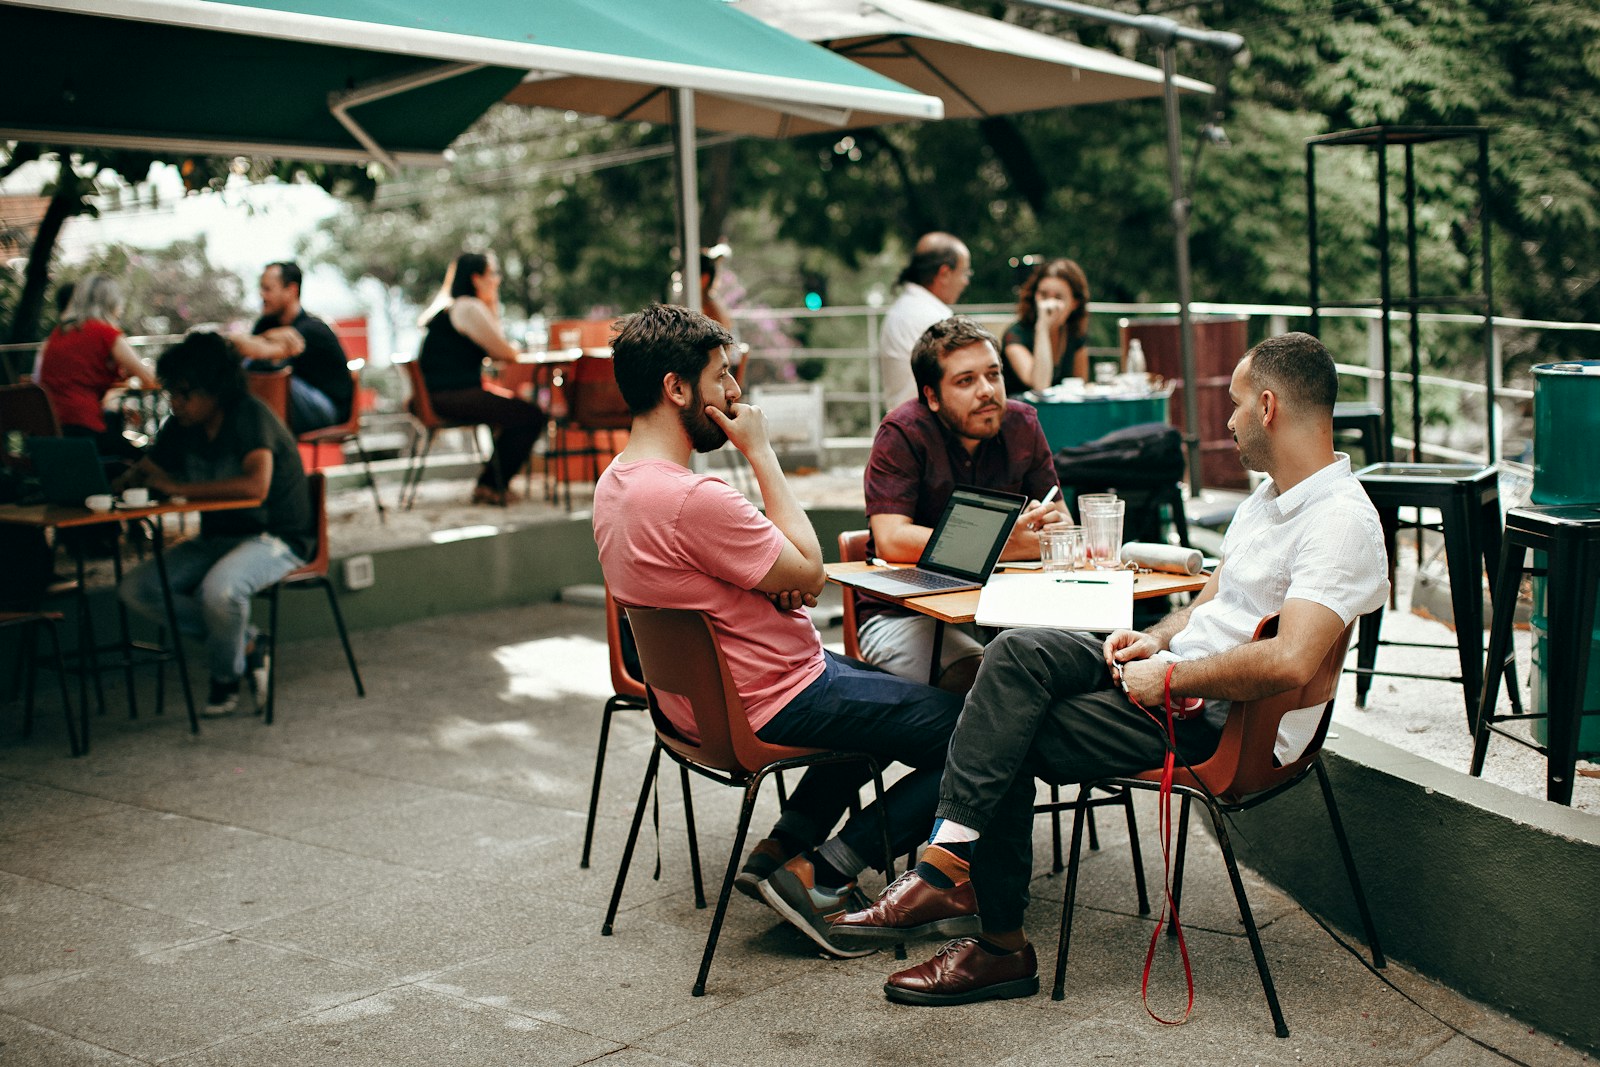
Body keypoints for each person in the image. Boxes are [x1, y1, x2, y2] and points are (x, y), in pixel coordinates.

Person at [831, 333, 1390, 1006]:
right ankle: (947, 861)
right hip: (1176, 678)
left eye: (1236, 405)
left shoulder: (1339, 521)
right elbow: (1212, 602)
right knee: (1015, 650)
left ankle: (998, 944)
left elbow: (1290, 657)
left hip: (1221, 719)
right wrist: (1153, 639)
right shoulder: (1266, 499)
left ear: (1269, 406)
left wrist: (1173, 678)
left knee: (1008, 726)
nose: (1229, 421)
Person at [593, 303, 962, 959]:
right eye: (722, 378)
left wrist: (780, 575)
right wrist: (762, 452)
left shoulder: (615, 485)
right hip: (775, 697)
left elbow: (786, 574)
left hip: (697, 707)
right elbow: (810, 570)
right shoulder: (692, 499)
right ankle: (822, 875)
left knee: (884, 692)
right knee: (973, 731)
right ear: (676, 388)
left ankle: (779, 848)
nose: (736, 394)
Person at [859, 316, 1070, 692]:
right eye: (966, 381)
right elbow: (892, 539)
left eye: (994, 374)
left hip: (1006, 609)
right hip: (907, 615)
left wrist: (1042, 534)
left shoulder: (1023, 424)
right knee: (992, 690)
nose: (987, 391)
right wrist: (1004, 545)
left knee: (1085, 668)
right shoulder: (902, 433)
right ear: (932, 397)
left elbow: (1060, 528)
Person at [117, 332, 313, 718]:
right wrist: (122, 482)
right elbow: (148, 470)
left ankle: (225, 677)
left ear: (216, 389)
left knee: (220, 592)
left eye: (186, 393)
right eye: (172, 392)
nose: (176, 403)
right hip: (217, 538)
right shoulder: (181, 426)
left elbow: (256, 485)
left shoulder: (250, 416)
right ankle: (249, 644)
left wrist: (178, 488)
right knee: (137, 589)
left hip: (275, 535)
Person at [416, 252, 546, 506]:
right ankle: (490, 486)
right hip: (452, 396)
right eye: (493, 274)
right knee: (530, 416)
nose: (497, 280)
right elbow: (504, 352)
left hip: (436, 394)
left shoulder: (449, 307)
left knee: (513, 410)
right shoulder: (469, 307)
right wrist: (493, 305)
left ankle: (492, 482)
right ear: (477, 279)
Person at [33, 274, 157, 457]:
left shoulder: (58, 334)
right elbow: (148, 378)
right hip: (84, 431)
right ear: (113, 303)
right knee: (148, 463)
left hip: (51, 432)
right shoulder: (105, 333)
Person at [241, 262, 353, 433]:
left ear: (291, 290)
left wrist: (256, 346)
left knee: (268, 375)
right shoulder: (265, 324)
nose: (262, 295)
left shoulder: (313, 329)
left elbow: (260, 354)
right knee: (246, 373)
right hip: (292, 405)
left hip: (328, 409)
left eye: (268, 289)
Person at [878, 232, 972, 409]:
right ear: (944, 273)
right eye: (964, 273)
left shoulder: (904, 308)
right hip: (924, 426)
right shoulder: (932, 318)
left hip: (902, 420)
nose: (966, 281)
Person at [1001, 258, 1092, 396]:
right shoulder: (1015, 334)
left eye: (1058, 297)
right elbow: (1040, 385)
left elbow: (1080, 387)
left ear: (1074, 303)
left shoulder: (1075, 335)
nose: (1049, 304)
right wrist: (1042, 327)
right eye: (1043, 295)